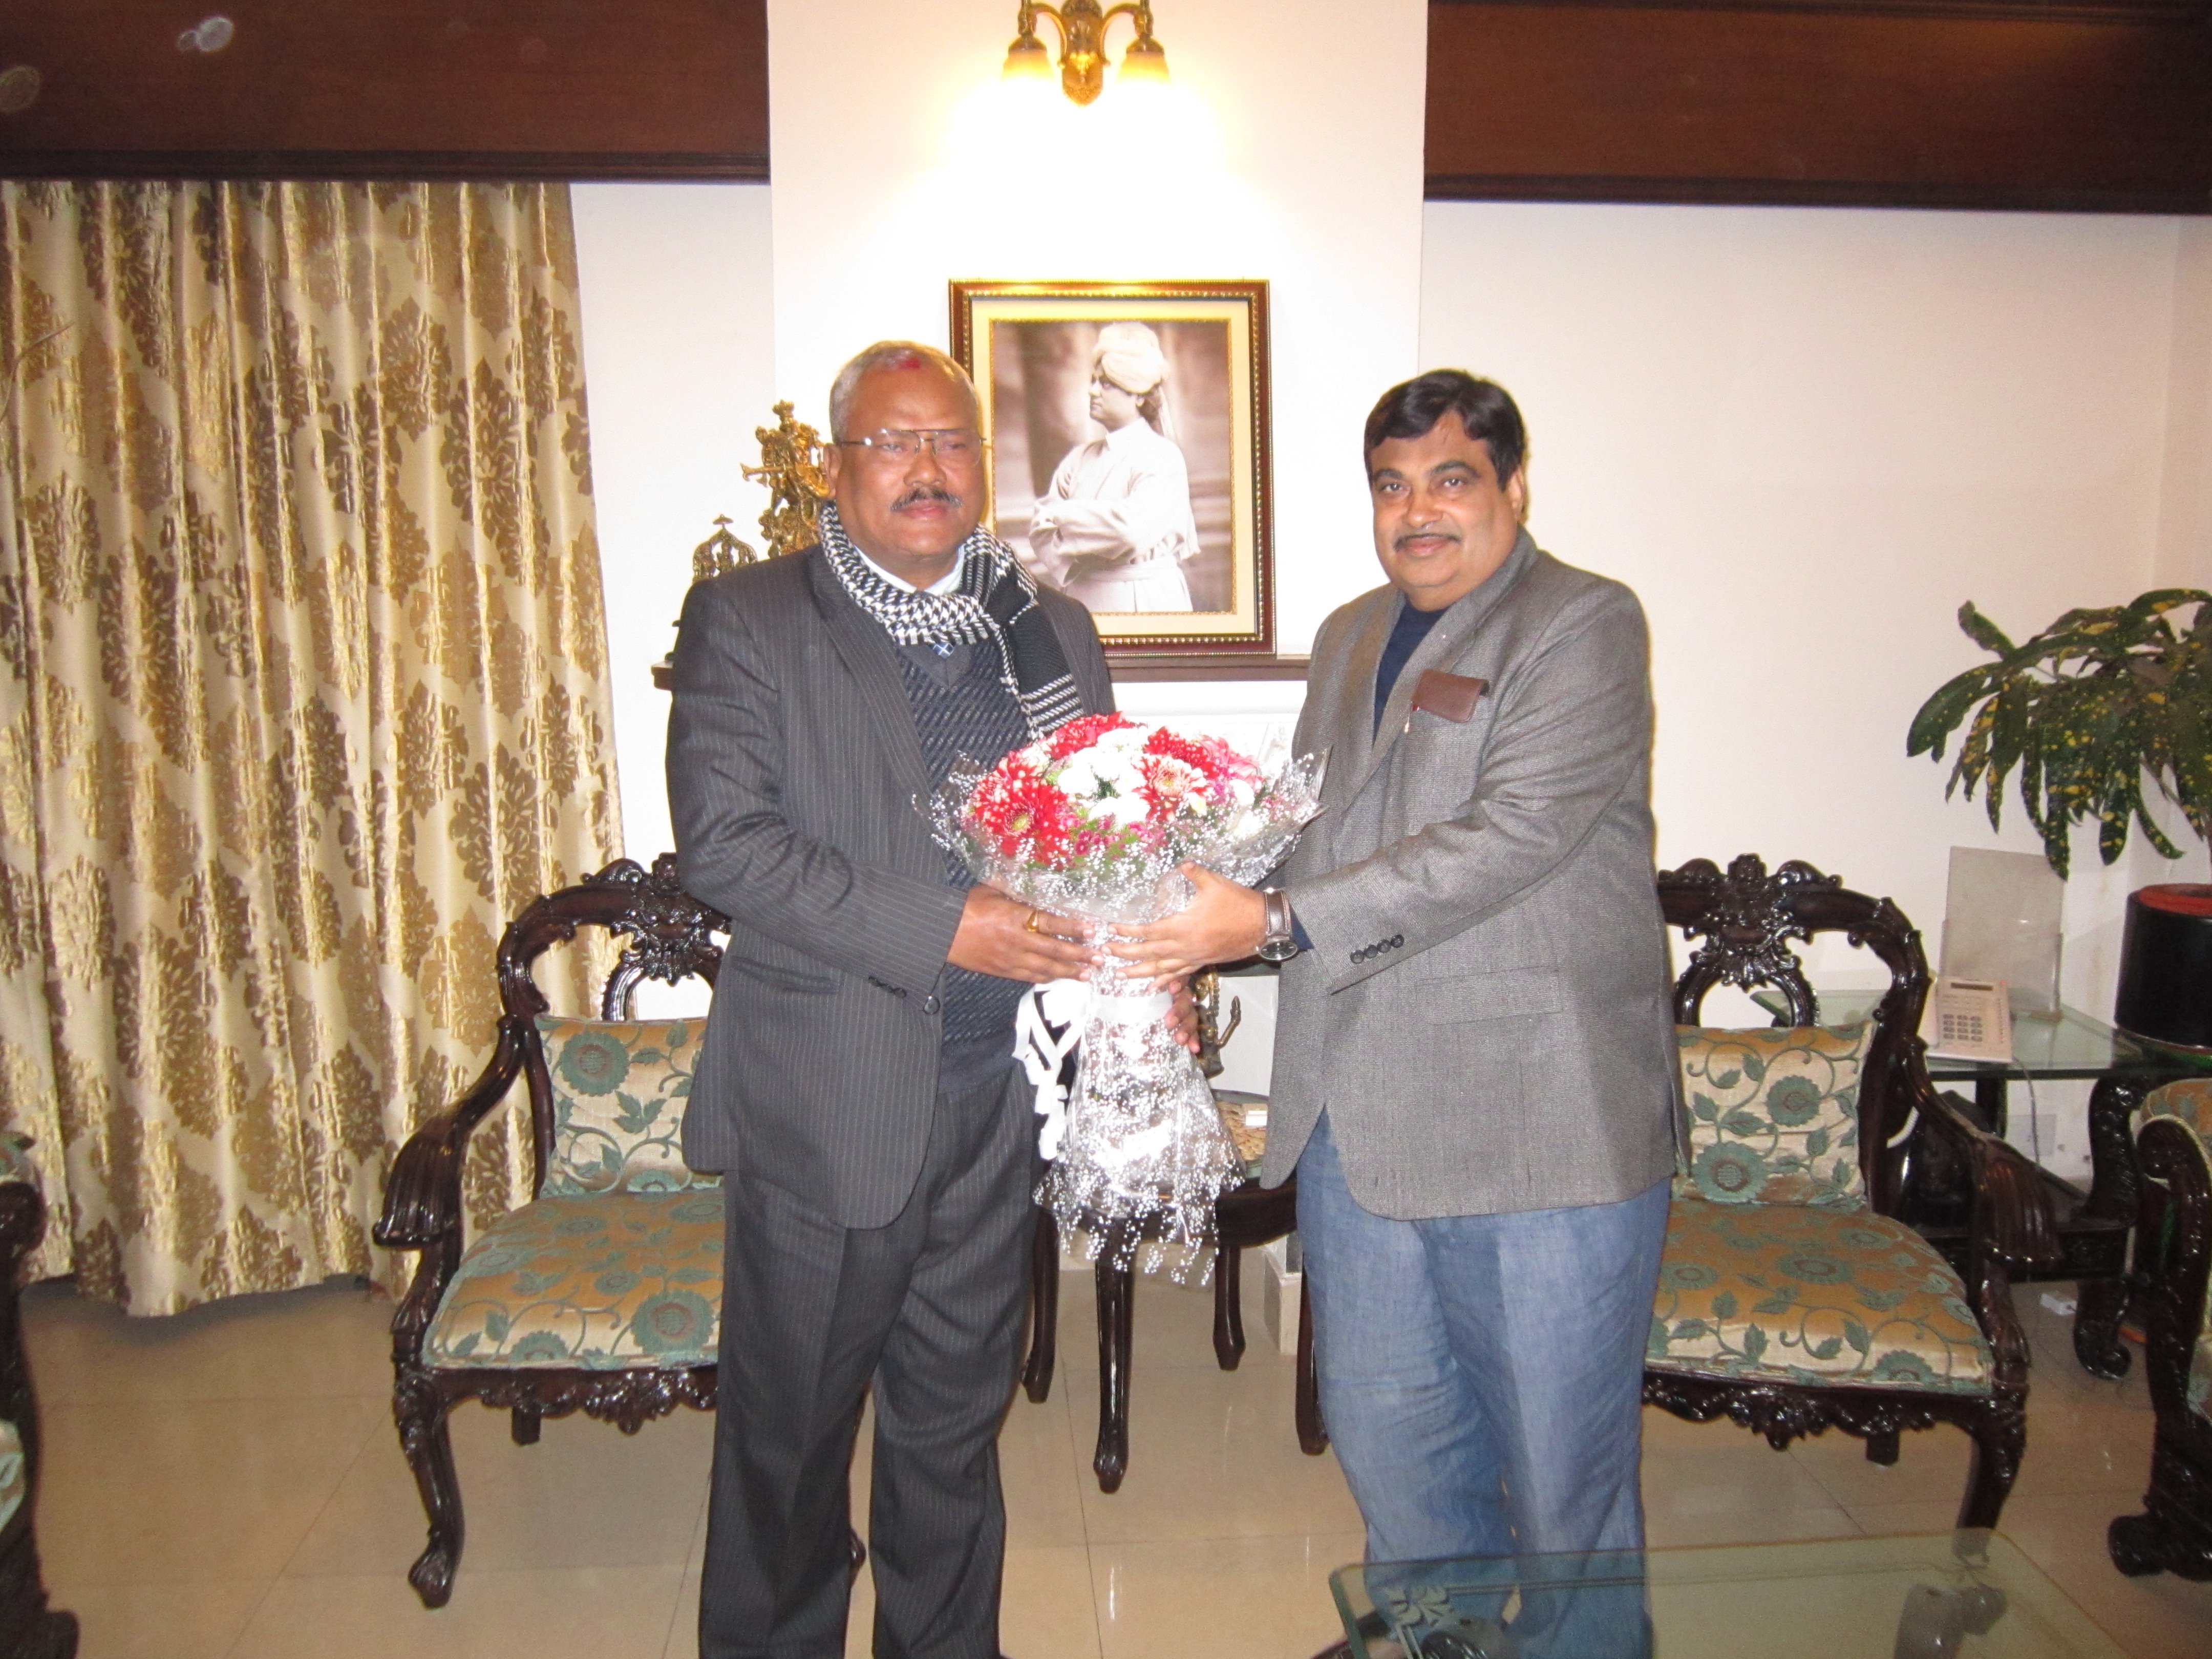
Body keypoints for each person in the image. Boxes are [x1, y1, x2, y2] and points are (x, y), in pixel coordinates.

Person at [1113, 371, 1679, 1653]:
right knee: (1395, 1437)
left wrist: (1256, 925)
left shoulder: (1580, 620)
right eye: (1391, 484)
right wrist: (1164, 913)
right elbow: (1303, 829)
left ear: (1512, 487)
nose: (1417, 510)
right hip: (1357, 1122)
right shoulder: (1355, 631)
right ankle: (1436, 1638)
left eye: (1451, 478)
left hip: (1538, 1128)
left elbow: (1512, 834)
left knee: (1558, 1474)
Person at [667, 341, 1118, 1659]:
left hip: (1000, 1099)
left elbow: (1100, 836)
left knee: (950, 1427)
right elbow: (728, 843)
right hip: (830, 1101)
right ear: (835, 463)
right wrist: (951, 923)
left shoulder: (1052, 629)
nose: (928, 468)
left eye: (954, 442)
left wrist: (1139, 962)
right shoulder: (750, 617)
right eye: (894, 441)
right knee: (790, 1444)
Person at [1025, 320, 1201, 613]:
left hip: (1145, 600)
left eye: (1106, 384)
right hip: (1082, 598)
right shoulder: (1079, 458)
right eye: (1093, 381)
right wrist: (1088, 527)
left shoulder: (1162, 456)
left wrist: (1061, 516)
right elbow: (1039, 529)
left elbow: (1130, 533)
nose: (1093, 391)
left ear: (1139, 395)